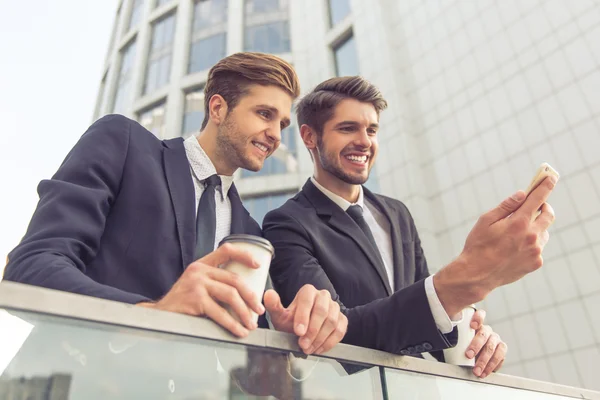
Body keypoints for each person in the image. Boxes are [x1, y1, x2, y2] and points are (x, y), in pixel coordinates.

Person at [4, 52, 347, 355]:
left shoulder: (250, 232)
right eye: (264, 114)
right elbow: (32, 266)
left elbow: (232, 355)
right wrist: (148, 315)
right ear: (217, 108)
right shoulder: (124, 145)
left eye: (282, 123)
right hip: (70, 381)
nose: (275, 133)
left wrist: (280, 337)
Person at [263, 76, 556, 378]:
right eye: (348, 128)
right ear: (310, 137)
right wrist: (462, 282)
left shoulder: (396, 214)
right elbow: (332, 331)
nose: (365, 141)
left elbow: (424, 306)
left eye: (372, 130)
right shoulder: (285, 223)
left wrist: (467, 333)